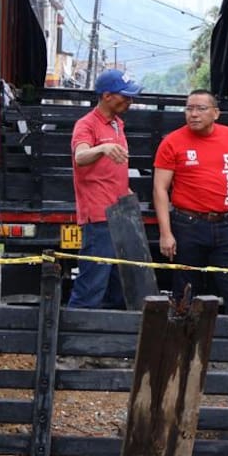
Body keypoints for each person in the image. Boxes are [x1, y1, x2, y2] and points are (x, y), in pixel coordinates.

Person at [153, 89, 228, 315]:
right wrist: (166, 233)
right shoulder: (173, 142)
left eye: (200, 109)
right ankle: (182, 345)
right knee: (185, 290)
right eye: (189, 109)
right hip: (188, 225)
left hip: (225, 226)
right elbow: (160, 188)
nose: (193, 114)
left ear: (216, 113)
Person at [67, 68, 140, 309]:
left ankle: (108, 336)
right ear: (107, 96)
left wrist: (126, 191)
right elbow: (80, 156)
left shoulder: (118, 124)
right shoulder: (86, 125)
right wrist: (101, 149)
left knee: (118, 282)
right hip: (99, 216)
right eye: (125, 96)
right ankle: (74, 337)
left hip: (119, 212)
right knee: (92, 281)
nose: (129, 100)